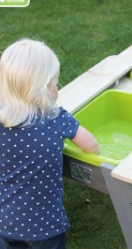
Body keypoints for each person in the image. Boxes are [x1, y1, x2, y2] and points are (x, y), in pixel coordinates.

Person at [0, 39, 100, 249]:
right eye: (55, 81)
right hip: (45, 226)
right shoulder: (56, 118)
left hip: (5, 221)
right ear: (45, 87)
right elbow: (91, 145)